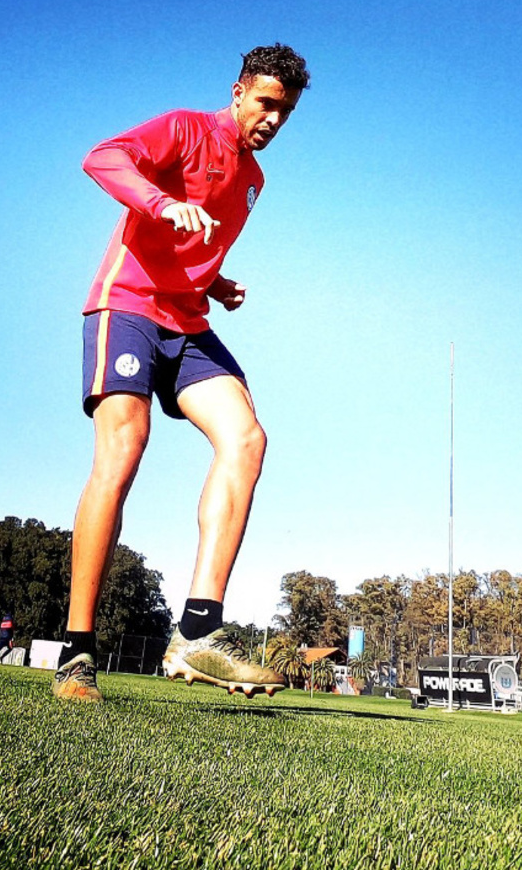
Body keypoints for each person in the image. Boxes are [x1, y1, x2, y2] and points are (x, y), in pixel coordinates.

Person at [52, 43, 310, 702]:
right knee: (124, 448)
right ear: (238, 92)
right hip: (127, 306)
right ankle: (77, 653)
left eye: (286, 112)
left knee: (247, 440)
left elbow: (192, 247)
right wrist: (159, 203)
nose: (274, 121)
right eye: (267, 104)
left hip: (188, 322)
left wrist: (216, 280)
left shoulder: (254, 179)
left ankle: (197, 633)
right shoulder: (184, 128)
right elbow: (102, 157)